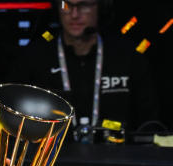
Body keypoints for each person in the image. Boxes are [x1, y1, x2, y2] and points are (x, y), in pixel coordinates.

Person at [14, 0, 159, 134]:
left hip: (118, 155)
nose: (74, 14)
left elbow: (148, 123)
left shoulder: (127, 55)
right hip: (54, 156)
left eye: (84, 5)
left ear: (101, 8)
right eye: (66, 5)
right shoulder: (35, 57)